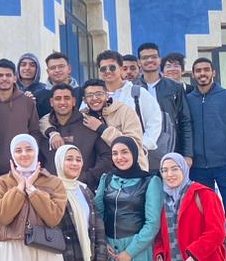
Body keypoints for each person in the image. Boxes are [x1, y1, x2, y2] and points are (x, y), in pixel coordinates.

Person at [187, 57, 226, 261]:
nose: (202, 74)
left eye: (206, 70)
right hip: (198, 167)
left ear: (213, 72)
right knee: (202, 214)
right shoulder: (188, 99)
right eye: (198, 70)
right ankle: (206, 257)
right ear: (193, 74)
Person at [41, 82, 113, 188]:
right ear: (51, 102)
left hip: (83, 188)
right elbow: (37, 158)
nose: (62, 102)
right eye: (58, 99)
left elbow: (108, 156)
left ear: (74, 101)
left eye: (67, 98)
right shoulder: (45, 128)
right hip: (52, 190)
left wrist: (88, 177)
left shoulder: (89, 124)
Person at [136, 41, 194, 170]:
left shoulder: (175, 87)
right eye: (145, 58)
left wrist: (188, 154)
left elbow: (185, 121)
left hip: (170, 147)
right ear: (139, 62)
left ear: (159, 60)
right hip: (141, 148)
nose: (150, 60)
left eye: (154, 56)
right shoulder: (132, 88)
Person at [97, 50, 161, 159]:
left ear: (121, 69)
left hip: (133, 156)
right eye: (103, 69)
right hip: (102, 156)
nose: (107, 71)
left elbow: (154, 122)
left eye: (112, 67)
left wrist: (141, 146)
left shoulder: (138, 93)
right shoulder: (94, 96)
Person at [0, 58, 47, 175]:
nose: (4, 78)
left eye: (8, 75)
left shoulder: (27, 102)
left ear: (15, 78)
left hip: (23, 169)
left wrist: (28, 157)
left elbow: (35, 131)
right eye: (0, 75)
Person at [80, 78, 146, 168]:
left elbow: (134, 145)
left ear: (107, 95)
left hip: (131, 169)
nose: (94, 98)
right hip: (98, 171)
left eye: (99, 94)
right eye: (90, 95)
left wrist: (102, 128)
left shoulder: (125, 111)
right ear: (84, 100)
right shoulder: (83, 117)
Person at [16, 52, 52, 117]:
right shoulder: (11, 89)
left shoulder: (45, 90)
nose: (27, 68)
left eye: (32, 65)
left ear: (37, 69)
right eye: (23, 65)